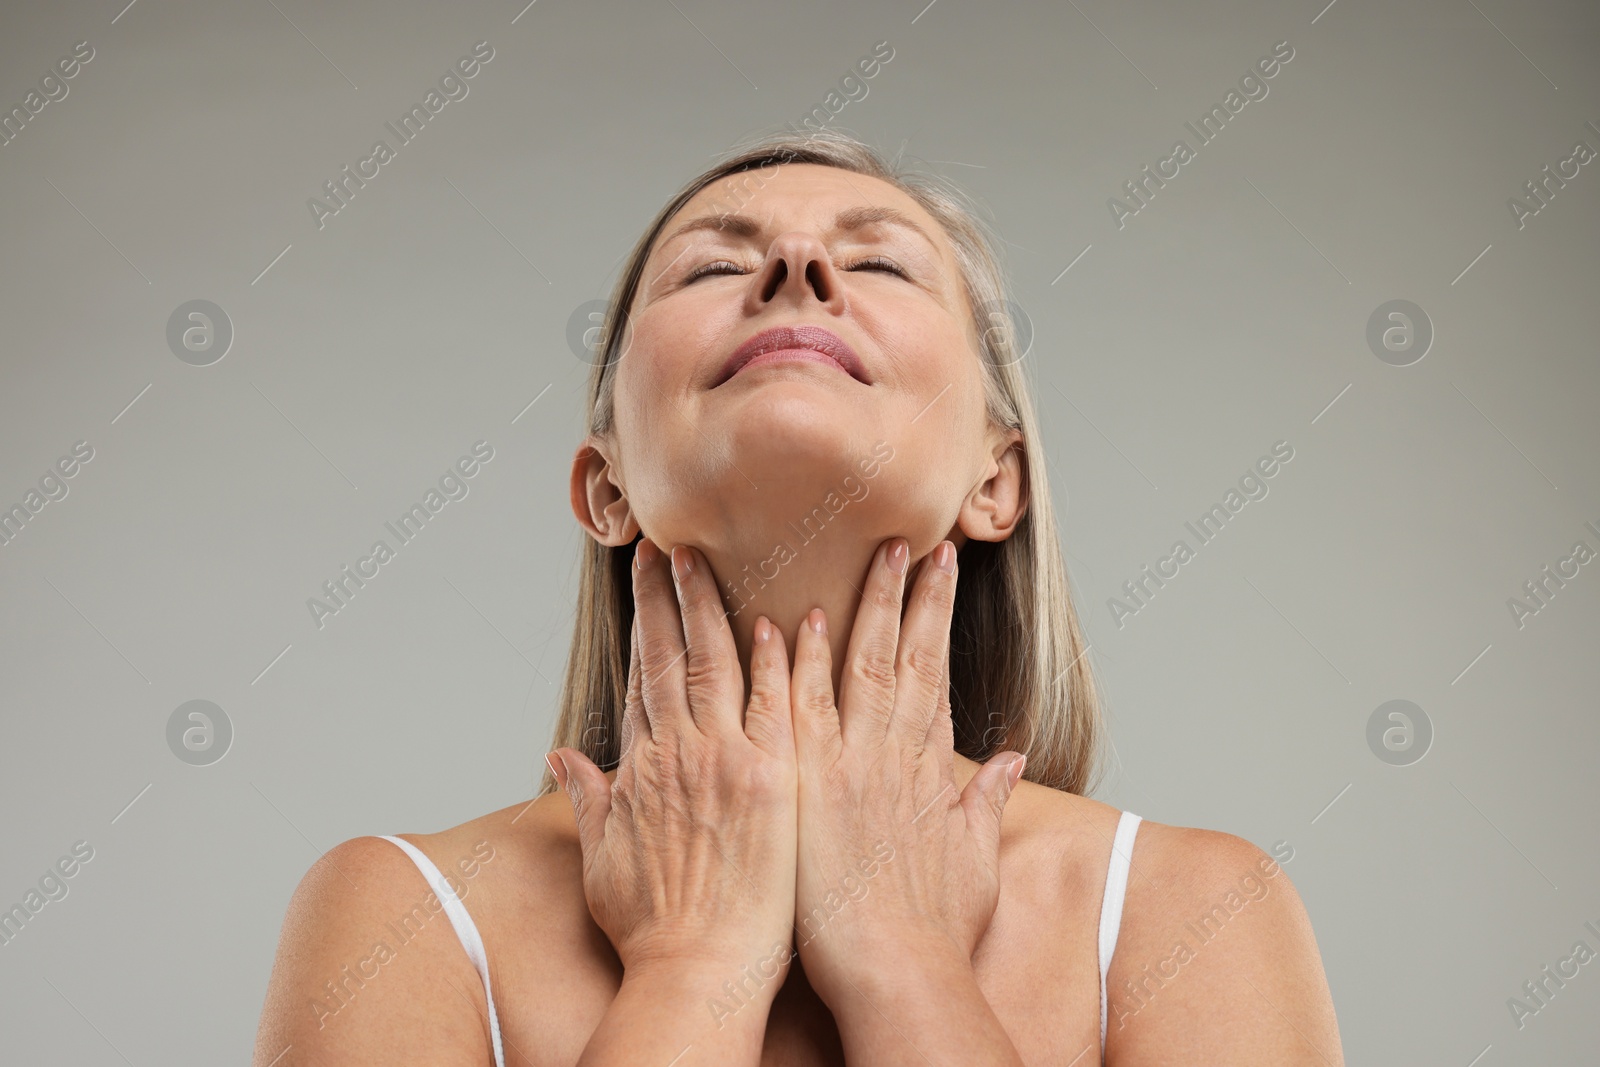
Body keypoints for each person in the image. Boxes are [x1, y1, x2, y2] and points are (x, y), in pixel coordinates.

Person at [253, 128, 1343, 1066]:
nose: (796, 263)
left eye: (879, 261)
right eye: (706, 268)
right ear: (606, 484)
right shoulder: (397, 911)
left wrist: (901, 952)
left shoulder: (1194, 906)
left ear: (995, 480)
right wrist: (694, 957)